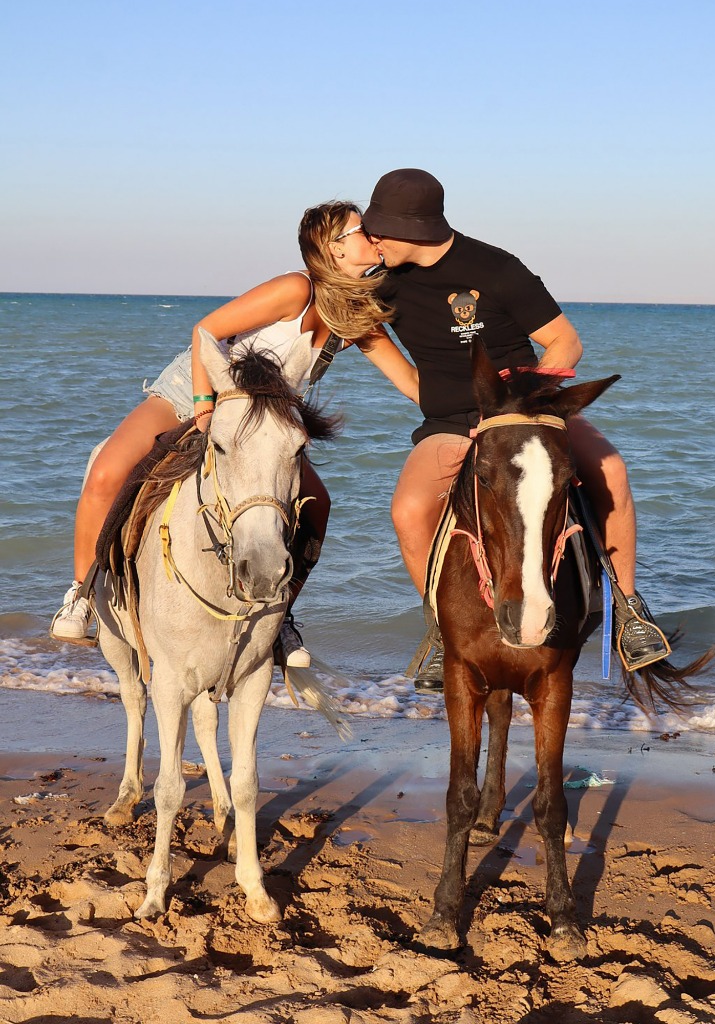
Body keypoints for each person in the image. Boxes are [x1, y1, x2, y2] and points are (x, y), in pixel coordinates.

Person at [51, 202, 420, 669]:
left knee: (318, 505)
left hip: (258, 424)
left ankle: (281, 615)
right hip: (193, 391)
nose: (374, 235)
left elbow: (411, 384)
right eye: (362, 229)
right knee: (107, 472)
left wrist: (478, 408)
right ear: (333, 246)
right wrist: (205, 408)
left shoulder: (354, 318)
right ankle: (81, 595)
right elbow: (207, 331)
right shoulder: (295, 289)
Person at [362, 168, 671, 691]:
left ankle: (629, 612)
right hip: (451, 423)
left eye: (379, 230)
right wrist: (427, 392)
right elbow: (386, 355)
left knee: (612, 469)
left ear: (412, 229)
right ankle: (440, 632)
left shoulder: (498, 268)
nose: (372, 240)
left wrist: (527, 398)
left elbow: (565, 343)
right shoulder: (382, 284)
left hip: (522, 412)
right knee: (409, 511)